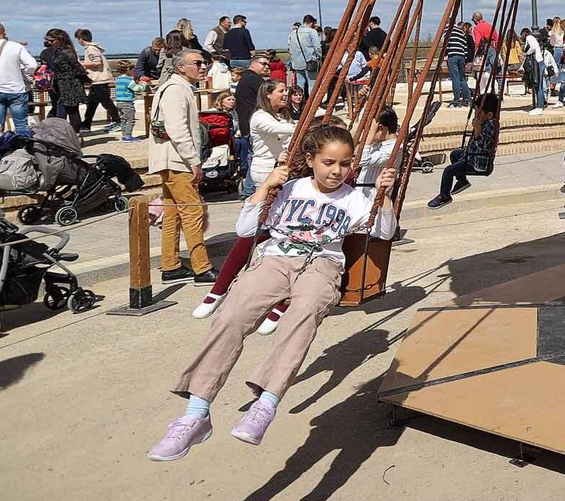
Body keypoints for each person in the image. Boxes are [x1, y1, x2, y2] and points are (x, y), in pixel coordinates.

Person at [147, 125, 397, 460]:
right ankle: (196, 413)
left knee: (304, 313)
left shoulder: (353, 198)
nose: (337, 171)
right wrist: (266, 186)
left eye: (344, 164)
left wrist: (386, 194)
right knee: (232, 314)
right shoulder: (288, 189)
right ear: (309, 160)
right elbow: (246, 229)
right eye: (328, 162)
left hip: (322, 263)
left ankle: (265, 404)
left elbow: (384, 230)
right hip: (276, 259)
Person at [149, 49, 216, 283]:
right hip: (177, 161)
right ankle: (201, 267)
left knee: (173, 213)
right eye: (197, 63)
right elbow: (177, 130)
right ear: (181, 67)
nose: (203, 66)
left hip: (172, 159)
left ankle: (171, 264)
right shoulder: (176, 90)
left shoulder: (176, 87)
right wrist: (194, 161)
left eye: (204, 63)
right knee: (193, 211)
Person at [427, 93, 503, 209]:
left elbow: (481, 145)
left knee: (448, 171)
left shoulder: (491, 126)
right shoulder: (486, 122)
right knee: (454, 154)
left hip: (478, 163)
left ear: (489, 115)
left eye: (478, 112)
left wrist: (477, 128)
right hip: (472, 156)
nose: (476, 114)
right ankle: (462, 180)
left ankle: (444, 196)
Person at [233, 55, 269, 195]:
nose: (266, 67)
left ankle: (249, 190)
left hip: (246, 125)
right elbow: (268, 97)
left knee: (253, 157)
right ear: (252, 64)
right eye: (263, 64)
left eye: (268, 65)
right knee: (256, 158)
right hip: (253, 126)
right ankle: (249, 191)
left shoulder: (246, 78)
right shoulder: (254, 79)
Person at [74, 28, 119, 132]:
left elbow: (97, 62)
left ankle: (117, 120)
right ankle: (86, 124)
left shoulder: (91, 49)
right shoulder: (93, 48)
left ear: (80, 39)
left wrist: (82, 64)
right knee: (92, 103)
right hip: (95, 80)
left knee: (106, 101)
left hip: (99, 79)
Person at [39, 28, 88, 121]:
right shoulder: (58, 51)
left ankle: (75, 133)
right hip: (61, 84)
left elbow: (77, 66)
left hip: (70, 84)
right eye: (47, 40)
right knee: (64, 108)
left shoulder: (67, 51)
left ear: (60, 39)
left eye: (51, 40)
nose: (49, 43)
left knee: (72, 111)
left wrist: (86, 79)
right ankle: (64, 130)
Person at [287, 16, 323, 95]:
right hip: (311, 61)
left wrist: (293, 61)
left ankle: (300, 103)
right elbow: (317, 47)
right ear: (311, 23)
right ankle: (313, 104)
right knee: (312, 84)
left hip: (297, 63)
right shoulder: (311, 32)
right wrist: (319, 58)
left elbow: (290, 50)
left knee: (300, 84)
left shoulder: (292, 34)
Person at [445, 21, 473, 107]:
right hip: (461, 56)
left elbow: (446, 44)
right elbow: (465, 47)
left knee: (455, 79)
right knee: (462, 79)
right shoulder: (461, 32)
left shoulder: (448, 30)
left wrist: (445, 55)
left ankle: (456, 101)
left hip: (453, 56)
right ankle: (468, 100)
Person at [112, 61, 141, 142]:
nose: (133, 72)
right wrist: (143, 84)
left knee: (123, 120)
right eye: (133, 70)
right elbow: (137, 89)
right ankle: (128, 136)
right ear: (128, 69)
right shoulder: (128, 80)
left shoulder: (118, 79)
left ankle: (124, 135)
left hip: (118, 102)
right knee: (130, 120)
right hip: (127, 103)